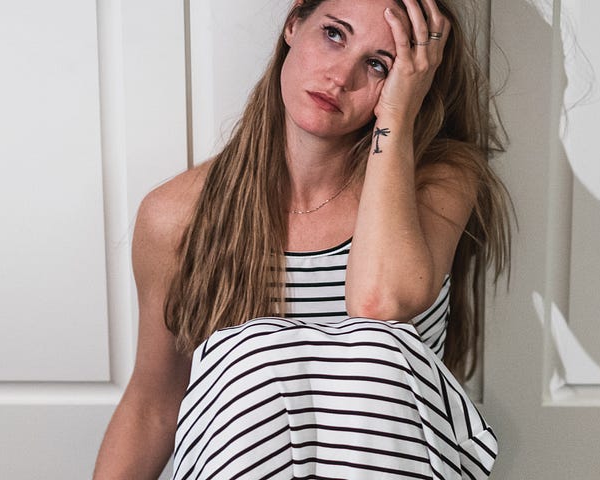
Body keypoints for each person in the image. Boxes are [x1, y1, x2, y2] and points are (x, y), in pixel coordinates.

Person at [92, 0, 510, 477]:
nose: (340, 77)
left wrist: (397, 115)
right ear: (294, 23)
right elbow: (153, 404)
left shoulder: (434, 183)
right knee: (246, 355)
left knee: (375, 354)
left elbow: (380, 303)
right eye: (334, 34)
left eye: (378, 64)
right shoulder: (178, 216)